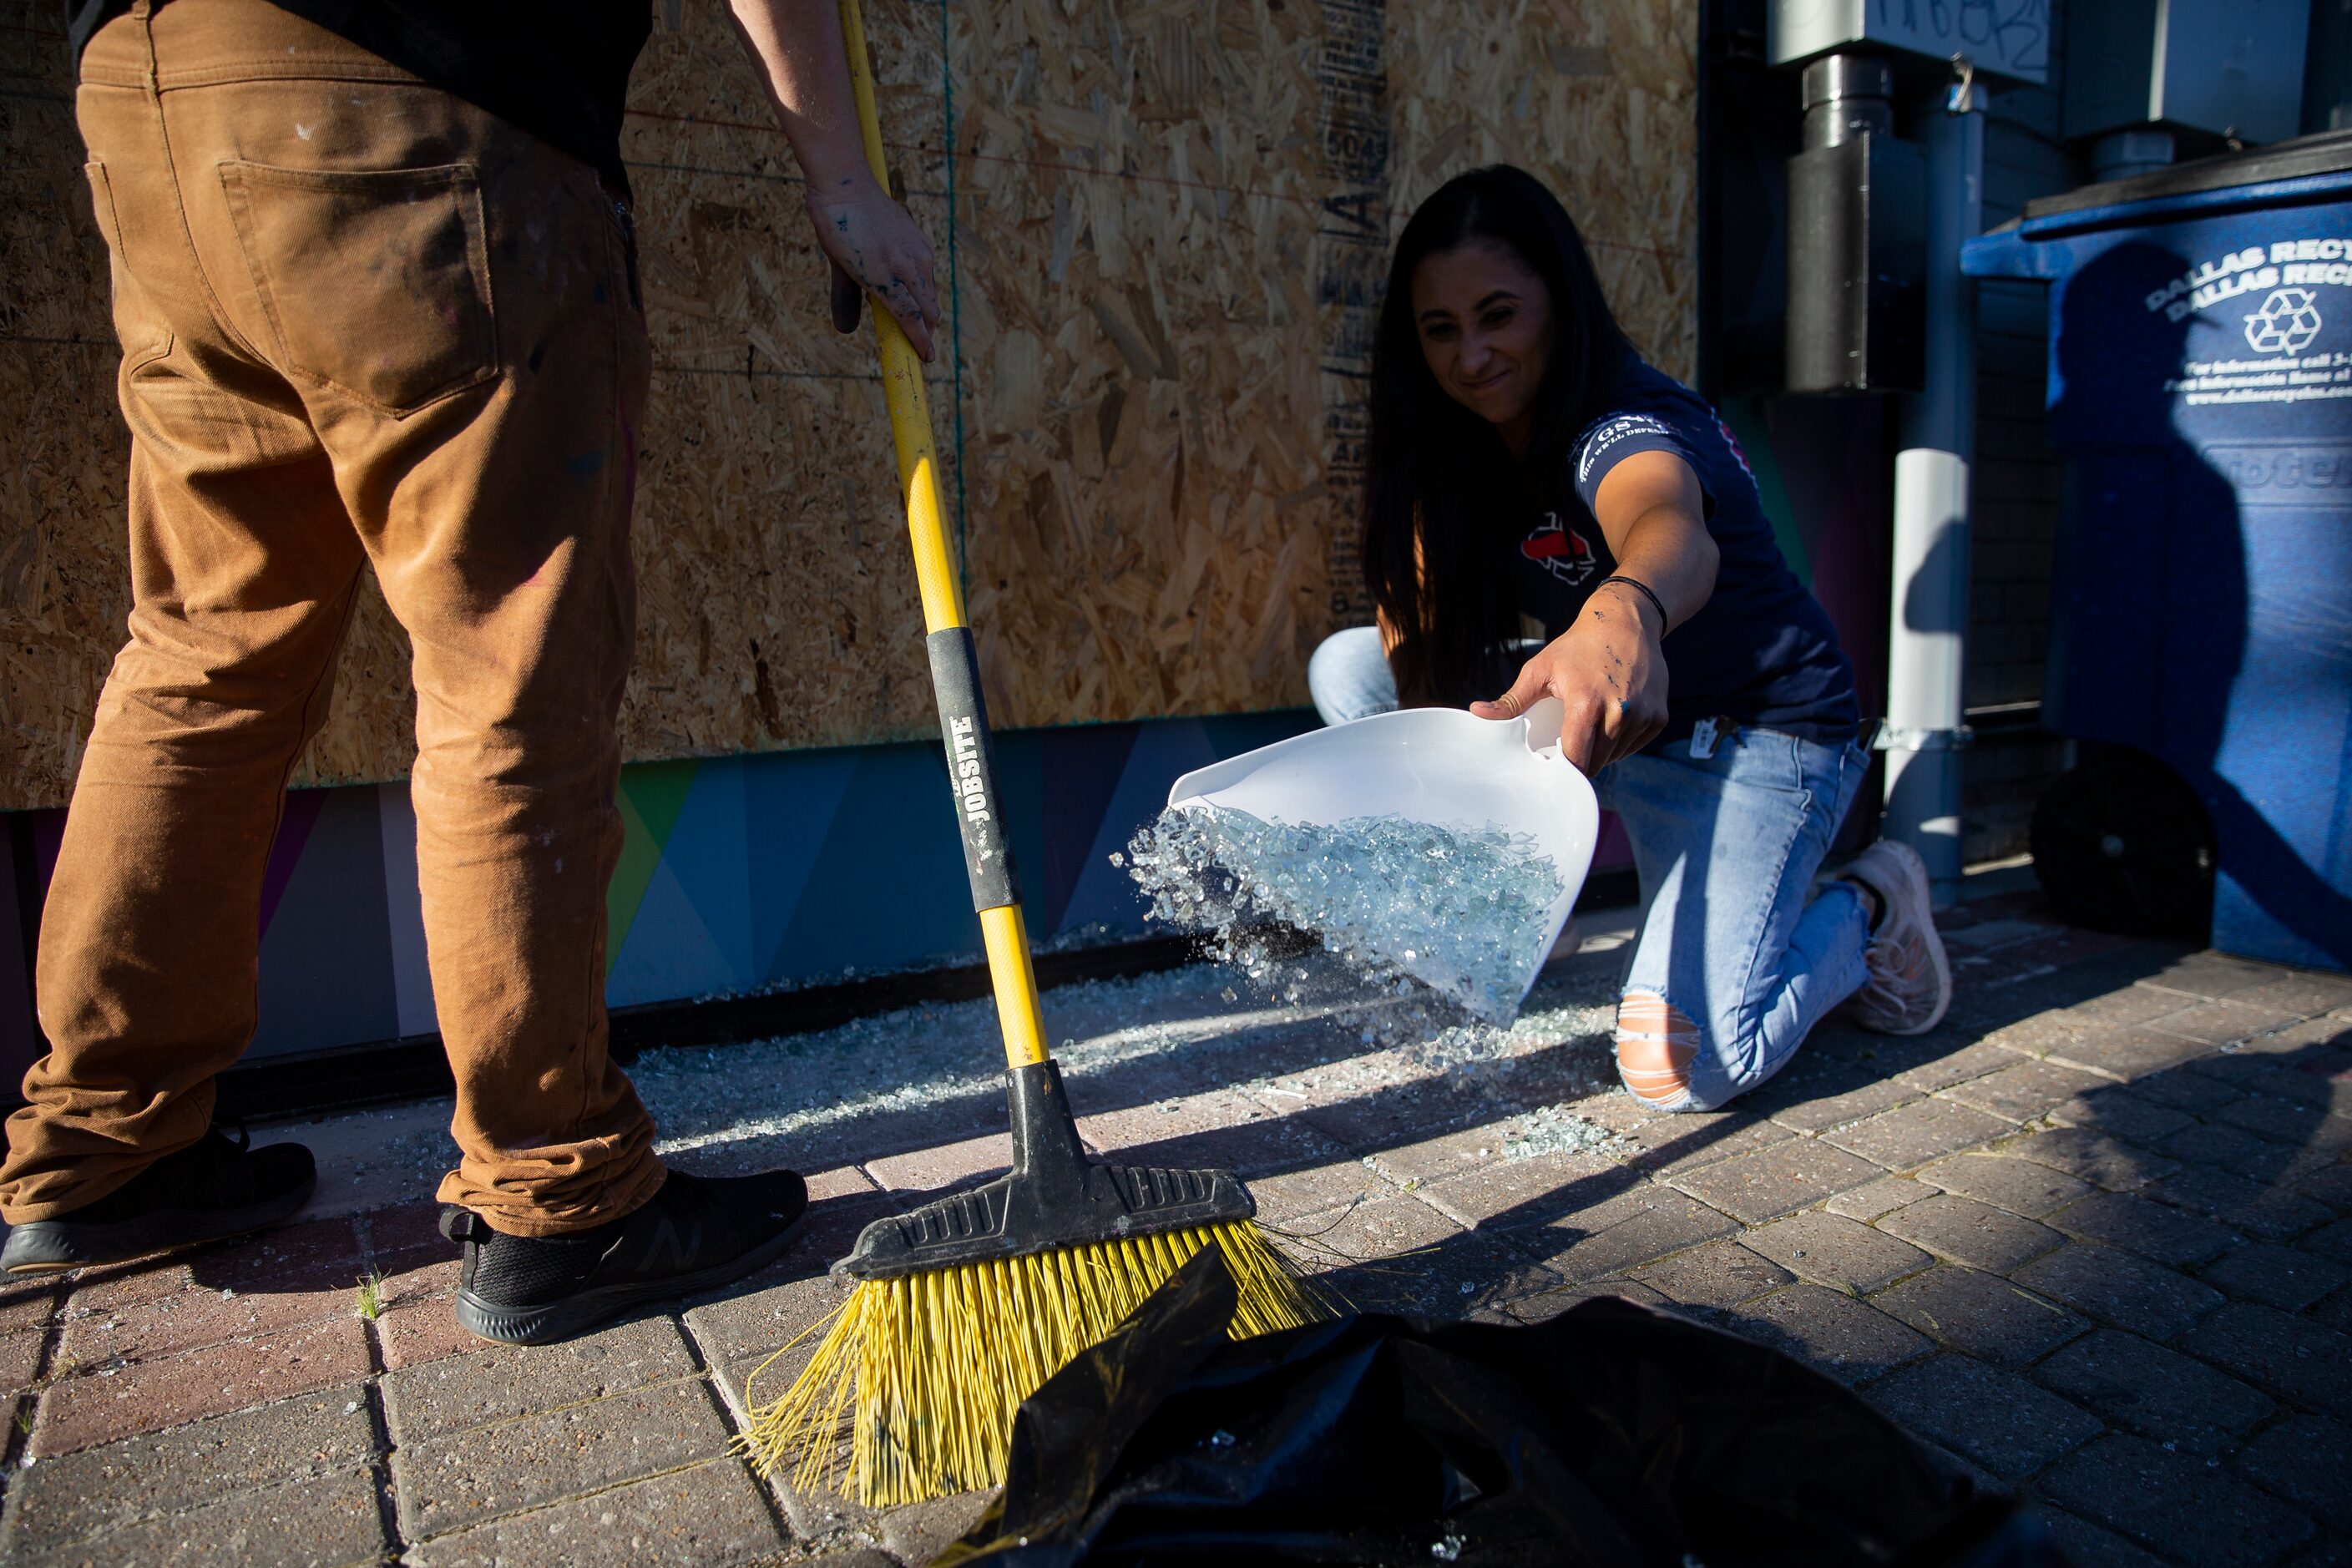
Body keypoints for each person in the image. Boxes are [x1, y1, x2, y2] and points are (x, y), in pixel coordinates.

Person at [0, 0, 939, 1346]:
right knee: (508, 667)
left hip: (157, 102)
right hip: (413, 111)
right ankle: (561, 1192)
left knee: (203, 650)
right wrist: (841, 180)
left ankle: (104, 1143)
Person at [1307, 165, 1951, 1113]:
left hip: (1755, 741)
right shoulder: (1458, 446)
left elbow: (1667, 523)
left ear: (1559, 305)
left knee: (1683, 1068)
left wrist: (1627, 608)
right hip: (1609, 722)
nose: (1472, 356)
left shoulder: (1624, 419)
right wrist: (1458, 832)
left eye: (1499, 315)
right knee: (1353, 668)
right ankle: (1520, 910)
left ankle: (1870, 902)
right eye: (1441, 330)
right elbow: (1417, 619)